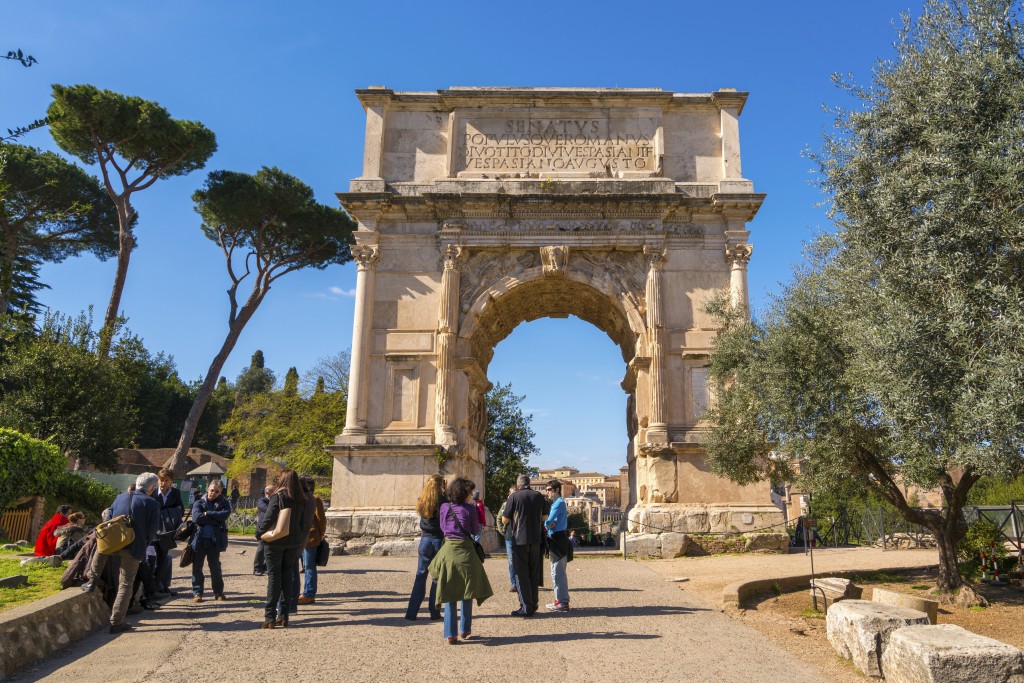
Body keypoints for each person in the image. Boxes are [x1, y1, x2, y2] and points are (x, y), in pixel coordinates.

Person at [428, 478, 492, 644]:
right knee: (467, 591)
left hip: (449, 550)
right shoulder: (470, 509)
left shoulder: (444, 507)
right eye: (469, 491)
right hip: (466, 551)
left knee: (449, 593)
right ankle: (465, 628)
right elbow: (474, 529)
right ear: (464, 492)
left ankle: (450, 633)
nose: (471, 494)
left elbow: (442, 527)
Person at [107, 473, 159, 634]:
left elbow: (108, 518)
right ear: (151, 488)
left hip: (113, 545)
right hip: (134, 547)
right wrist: (144, 545)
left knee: (117, 581)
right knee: (126, 584)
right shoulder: (152, 503)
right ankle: (117, 621)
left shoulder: (120, 497)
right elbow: (152, 532)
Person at [255, 469, 307, 629]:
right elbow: (302, 521)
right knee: (286, 576)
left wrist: (259, 533)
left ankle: (269, 616)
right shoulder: (301, 498)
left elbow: (269, 517)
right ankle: (283, 616)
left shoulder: (279, 496)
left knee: (274, 577)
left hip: (277, 540)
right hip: (293, 540)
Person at [501, 474, 546, 617]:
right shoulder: (539, 496)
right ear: (529, 483)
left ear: (518, 484)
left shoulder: (514, 497)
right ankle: (533, 603)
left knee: (521, 574)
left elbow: (504, 519)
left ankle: (525, 606)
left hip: (520, 538)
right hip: (536, 538)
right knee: (534, 572)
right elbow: (544, 517)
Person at [405, 474, 445, 621]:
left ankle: (411, 612)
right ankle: (434, 612)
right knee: (436, 577)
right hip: (439, 540)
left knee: (420, 575)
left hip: (425, 539)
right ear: (441, 485)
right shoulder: (444, 501)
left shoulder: (421, 500)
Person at [190, 479, 231, 603]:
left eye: (216, 491)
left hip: (214, 541)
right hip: (199, 539)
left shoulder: (224, 503)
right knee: (197, 567)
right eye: (212, 490)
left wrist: (208, 513)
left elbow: (225, 514)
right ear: (208, 489)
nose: (213, 493)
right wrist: (215, 519)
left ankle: (218, 592)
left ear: (220, 493)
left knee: (215, 568)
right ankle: (197, 593)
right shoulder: (199, 502)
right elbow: (196, 518)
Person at [151, 468, 184, 594]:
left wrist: (167, 514)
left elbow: (180, 509)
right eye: (161, 480)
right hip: (154, 531)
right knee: (151, 559)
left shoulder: (175, 493)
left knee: (163, 559)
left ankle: (159, 586)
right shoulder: (153, 492)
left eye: (166, 480)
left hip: (167, 531)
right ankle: (152, 587)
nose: (163, 483)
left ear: (171, 481)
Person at [298, 476, 326, 605]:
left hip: (311, 537)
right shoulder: (298, 499)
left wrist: (321, 535)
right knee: (304, 565)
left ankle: (309, 593)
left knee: (309, 566)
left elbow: (321, 519)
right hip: (300, 537)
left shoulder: (315, 499)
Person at [544, 479, 571, 612]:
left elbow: (548, 522)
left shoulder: (558, 503)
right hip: (558, 537)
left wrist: (546, 524)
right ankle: (560, 600)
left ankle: (562, 601)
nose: (547, 492)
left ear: (557, 490)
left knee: (557, 572)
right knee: (557, 571)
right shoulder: (557, 503)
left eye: (549, 490)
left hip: (557, 538)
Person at [495, 486, 517, 592]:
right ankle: (513, 583)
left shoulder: (520, 504)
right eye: (511, 493)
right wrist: (501, 531)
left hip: (520, 535)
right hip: (509, 536)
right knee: (511, 561)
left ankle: (521, 582)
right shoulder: (505, 504)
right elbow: (499, 518)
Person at [253, 485, 274, 576]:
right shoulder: (262, 501)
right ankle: (257, 568)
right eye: (274, 491)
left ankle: (265, 567)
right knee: (261, 548)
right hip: (263, 528)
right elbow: (269, 510)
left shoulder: (273, 501)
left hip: (272, 527)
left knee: (269, 548)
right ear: (267, 493)